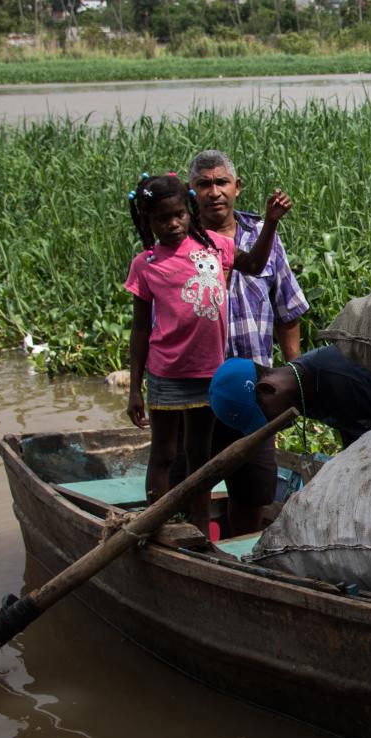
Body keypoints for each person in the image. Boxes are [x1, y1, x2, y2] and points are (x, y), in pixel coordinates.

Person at [125, 172, 292, 535]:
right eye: (161, 219)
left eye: (179, 215)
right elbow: (139, 330)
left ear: (190, 211)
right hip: (166, 374)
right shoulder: (146, 264)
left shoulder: (215, 247)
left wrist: (271, 225)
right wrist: (135, 387)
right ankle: (154, 526)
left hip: (208, 373)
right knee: (165, 454)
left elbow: (256, 265)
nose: (172, 224)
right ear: (147, 222)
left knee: (200, 458)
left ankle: (199, 530)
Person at [187, 149, 310, 537]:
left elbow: (287, 311)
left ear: (237, 188)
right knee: (194, 476)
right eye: (204, 184)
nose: (214, 192)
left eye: (222, 182)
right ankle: (200, 550)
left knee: (253, 486)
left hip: (251, 386)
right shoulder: (181, 243)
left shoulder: (262, 237)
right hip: (198, 385)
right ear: (192, 192)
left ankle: (242, 553)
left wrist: (295, 375)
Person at [209, 346, 371, 451]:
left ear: (267, 389)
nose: (276, 428)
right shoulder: (303, 393)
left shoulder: (340, 378)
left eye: (267, 419)